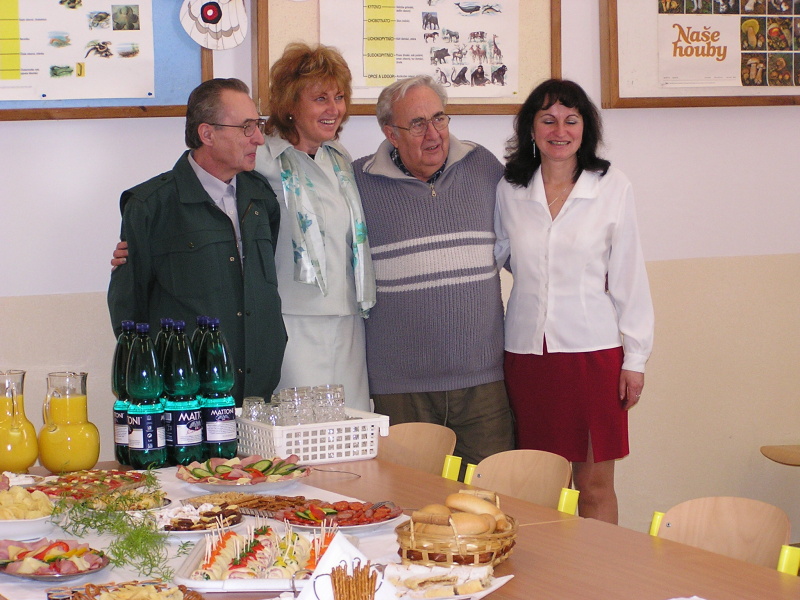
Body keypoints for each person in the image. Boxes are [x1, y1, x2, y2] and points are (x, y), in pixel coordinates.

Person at [494, 79, 654, 523]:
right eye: (548, 120)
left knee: (593, 485)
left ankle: (599, 568)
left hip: (592, 356)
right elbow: (501, 254)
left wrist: (636, 358)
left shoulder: (611, 186)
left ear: (586, 128)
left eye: (571, 120)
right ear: (531, 129)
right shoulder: (510, 188)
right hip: (527, 355)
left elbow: (629, 276)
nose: (559, 130)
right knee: (538, 486)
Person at [352, 75, 515, 467]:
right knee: (407, 498)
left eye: (439, 119)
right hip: (400, 387)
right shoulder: (359, 181)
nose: (433, 134)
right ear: (390, 133)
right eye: (417, 124)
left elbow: (521, 247)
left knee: (488, 495)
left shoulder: (483, 166)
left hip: (482, 384)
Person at [107, 78, 286, 405]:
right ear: (207, 134)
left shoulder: (261, 197)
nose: (259, 138)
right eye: (247, 127)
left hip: (257, 393)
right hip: (186, 401)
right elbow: (129, 313)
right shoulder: (151, 206)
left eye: (257, 125)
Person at [254, 43, 375, 410]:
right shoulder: (261, 159)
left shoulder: (340, 160)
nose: (333, 109)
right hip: (293, 321)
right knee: (300, 429)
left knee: (351, 425)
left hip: (348, 317)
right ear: (290, 104)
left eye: (339, 98)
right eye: (320, 98)